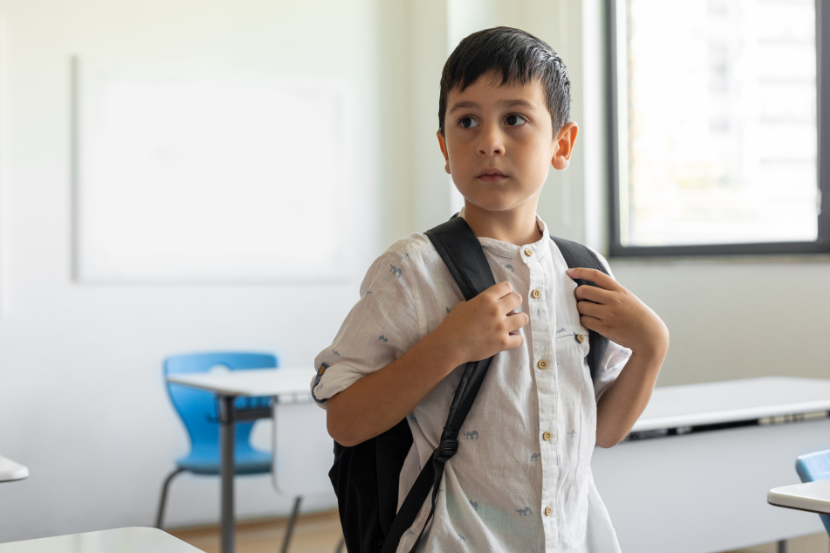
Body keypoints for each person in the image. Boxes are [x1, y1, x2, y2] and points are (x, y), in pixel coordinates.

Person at [311, 26, 669, 552]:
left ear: (561, 145)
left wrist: (653, 345)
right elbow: (344, 421)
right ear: (445, 147)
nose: (489, 141)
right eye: (467, 121)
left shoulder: (585, 271)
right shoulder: (412, 269)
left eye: (515, 118)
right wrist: (448, 346)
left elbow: (602, 430)